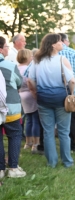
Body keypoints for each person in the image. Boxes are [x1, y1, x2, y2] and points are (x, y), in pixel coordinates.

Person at [28, 33, 75, 168]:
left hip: (43, 98)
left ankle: (52, 162)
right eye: (60, 41)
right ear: (53, 45)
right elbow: (71, 80)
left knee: (48, 132)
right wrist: (71, 93)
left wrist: (37, 93)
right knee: (63, 132)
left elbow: (30, 80)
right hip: (61, 98)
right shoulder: (62, 59)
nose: (62, 43)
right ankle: (67, 161)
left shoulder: (37, 60)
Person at [0, 36, 26, 178]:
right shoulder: (10, 66)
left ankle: (0, 170)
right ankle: (13, 167)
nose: (7, 50)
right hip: (11, 106)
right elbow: (19, 83)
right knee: (15, 135)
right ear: (0, 48)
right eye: (6, 47)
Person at [17, 49, 41, 153]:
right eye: (30, 56)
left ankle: (28, 142)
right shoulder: (29, 68)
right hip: (30, 94)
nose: (32, 57)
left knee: (29, 120)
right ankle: (35, 143)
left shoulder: (16, 68)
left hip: (21, 94)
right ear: (27, 57)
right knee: (35, 120)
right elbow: (31, 83)